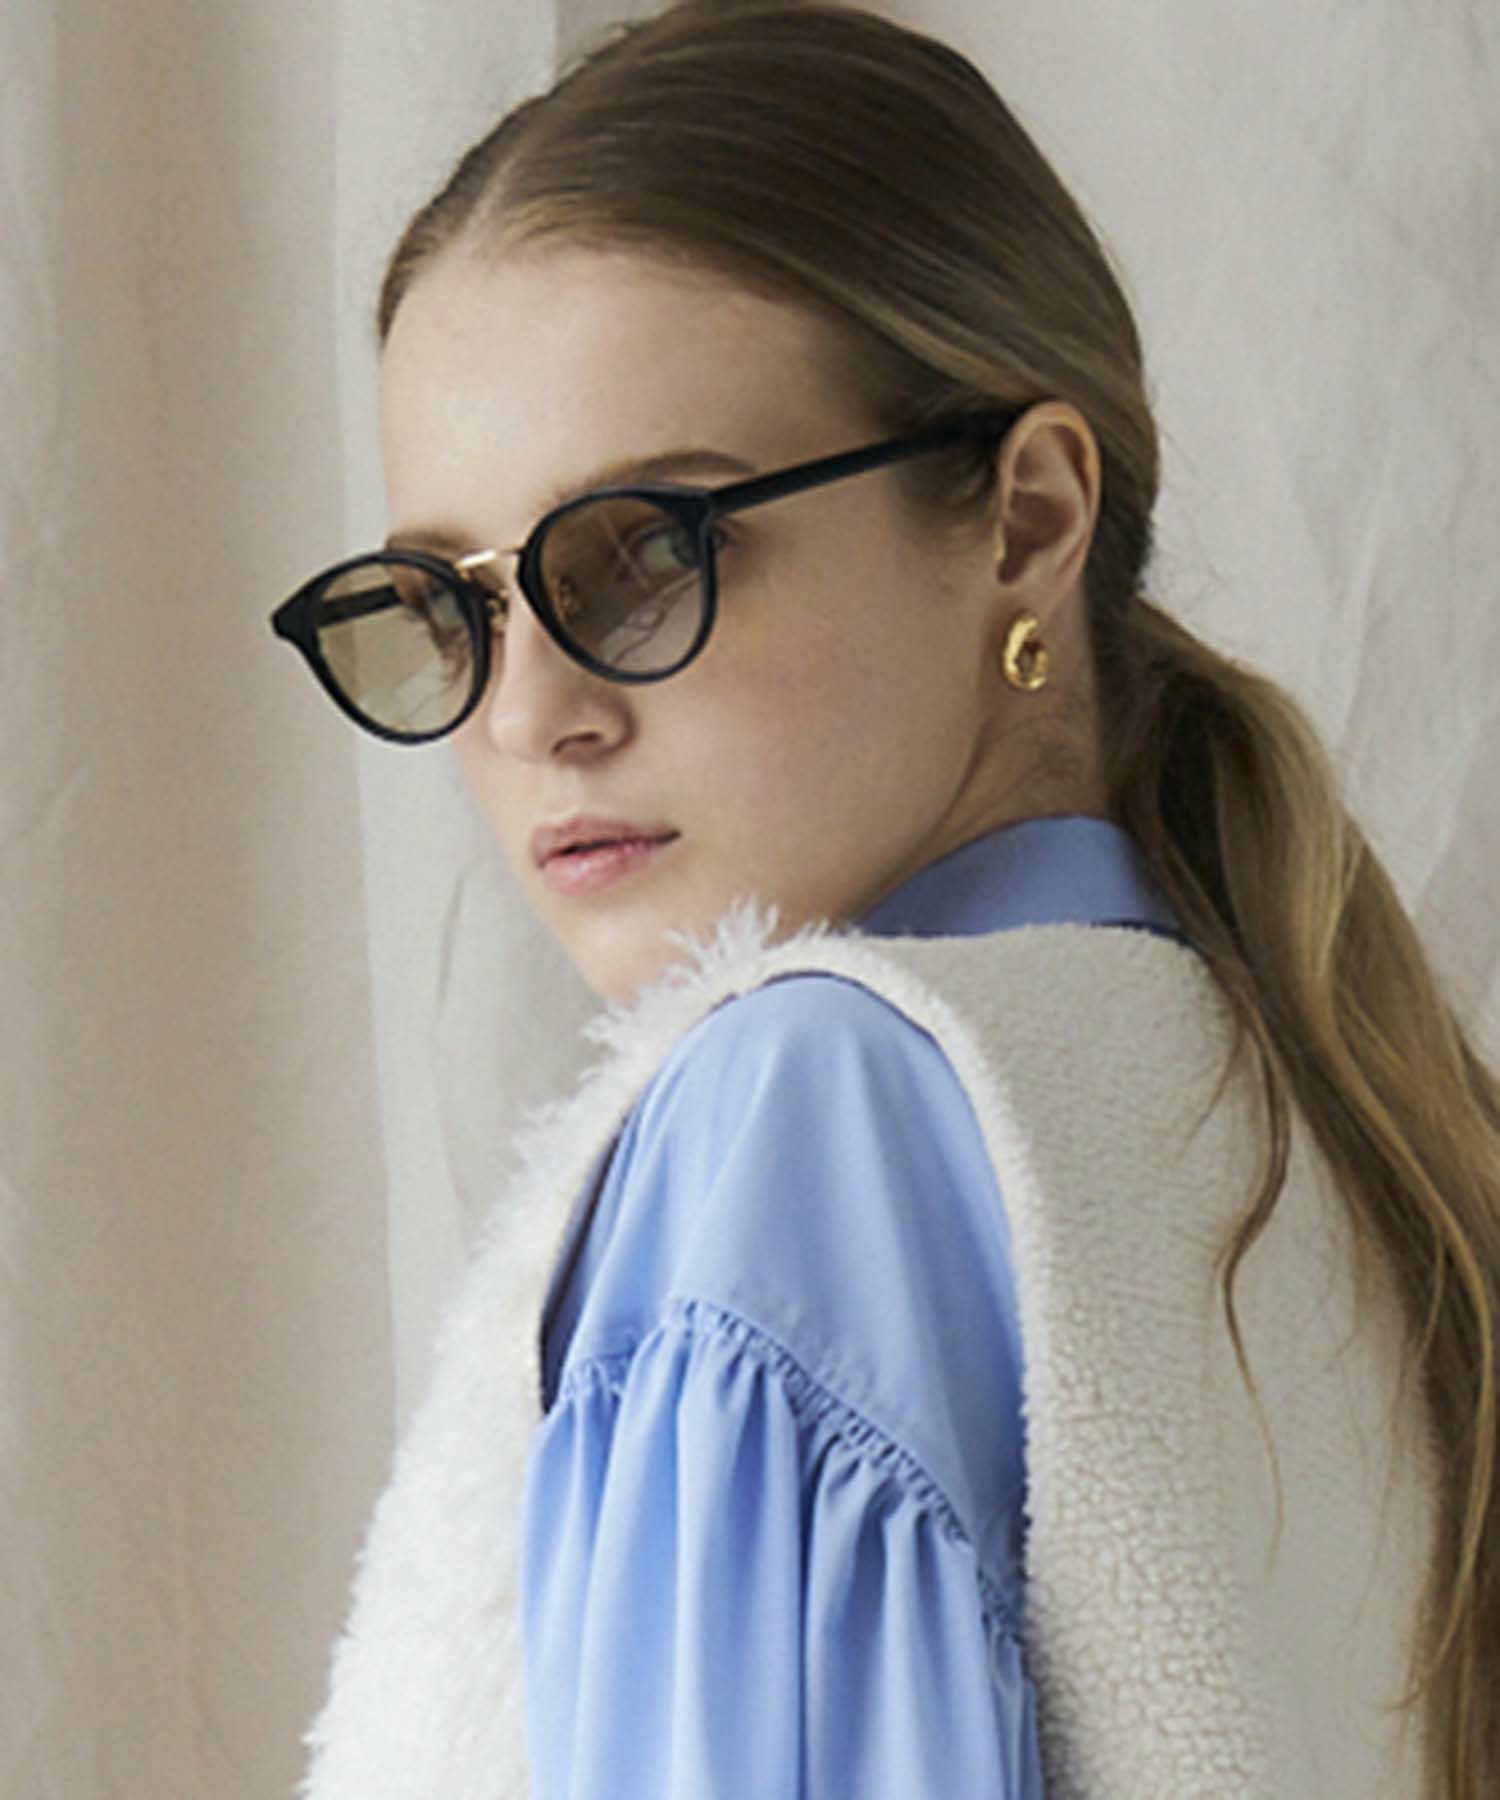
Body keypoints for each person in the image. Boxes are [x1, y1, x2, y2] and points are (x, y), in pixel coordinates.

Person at [274, 4, 1500, 1795]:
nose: (531, 714)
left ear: (1026, 520)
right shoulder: (1329, 1124)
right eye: (448, 606)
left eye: (645, 554)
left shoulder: (809, 1112)